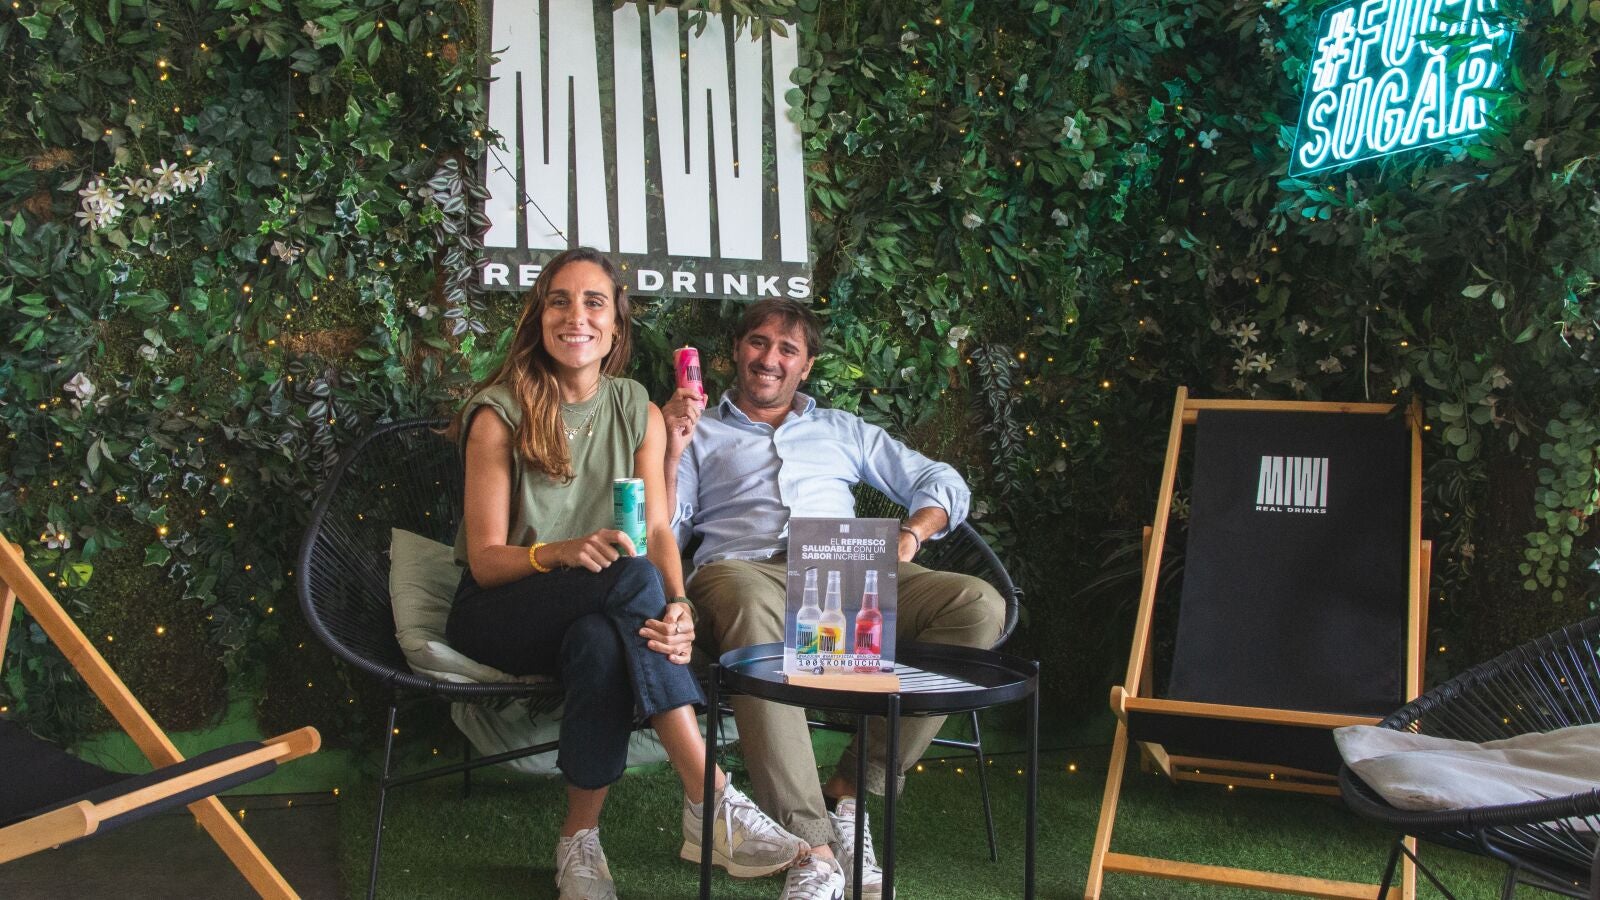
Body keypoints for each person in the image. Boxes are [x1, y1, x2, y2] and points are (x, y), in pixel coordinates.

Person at [445, 249, 806, 900]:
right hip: (499, 610)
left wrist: (680, 606)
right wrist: (558, 552)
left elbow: (660, 529)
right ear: (539, 317)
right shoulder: (499, 413)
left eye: (594, 303)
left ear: (616, 325)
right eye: (559, 301)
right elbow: (486, 560)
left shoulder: (635, 406)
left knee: (601, 641)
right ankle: (710, 797)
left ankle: (579, 842)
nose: (575, 316)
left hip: (599, 604)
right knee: (629, 580)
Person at [663, 298, 1006, 900]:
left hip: (847, 571)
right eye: (758, 342)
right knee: (746, 601)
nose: (769, 358)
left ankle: (849, 792)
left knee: (977, 606)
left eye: (787, 349)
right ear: (736, 350)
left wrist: (911, 534)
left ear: (807, 365)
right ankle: (812, 849)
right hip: (744, 572)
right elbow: (666, 524)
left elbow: (942, 481)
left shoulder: (843, 429)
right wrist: (669, 449)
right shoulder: (699, 429)